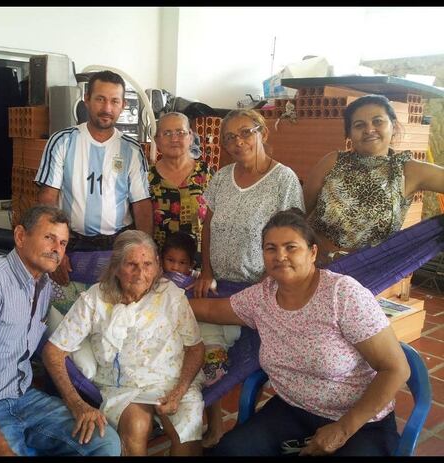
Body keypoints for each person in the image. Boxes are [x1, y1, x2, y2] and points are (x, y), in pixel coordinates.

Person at [190, 208, 410, 456]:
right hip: (293, 409)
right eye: (270, 248)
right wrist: (160, 299)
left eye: (291, 247)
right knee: (230, 452)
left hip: (361, 422)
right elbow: (209, 309)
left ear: (312, 252)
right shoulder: (260, 297)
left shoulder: (343, 295)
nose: (280, 256)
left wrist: (343, 429)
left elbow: (396, 368)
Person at [0, 205, 121, 456]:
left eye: (62, 243)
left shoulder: (43, 285)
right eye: (49, 238)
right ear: (20, 236)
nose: (56, 249)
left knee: (105, 442)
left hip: (21, 398)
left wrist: (77, 404)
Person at [43, 230, 205, 456]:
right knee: (134, 428)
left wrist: (179, 391)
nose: (141, 274)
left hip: (173, 380)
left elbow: (195, 348)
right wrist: (77, 404)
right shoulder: (95, 299)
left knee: (186, 437)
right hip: (123, 386)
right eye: (132, 265)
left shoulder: (171, 295)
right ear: (116, 267)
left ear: (158, 265)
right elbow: (53, 352)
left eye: (148, 264)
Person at [35, 70, 153, 286]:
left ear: (122, 105)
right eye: (100, 99)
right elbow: (47, 200)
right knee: (69, 310)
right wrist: (55, 251)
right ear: (86, 100)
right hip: (71, 245)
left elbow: (142, 207)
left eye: (114, 101)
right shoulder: (62, 141)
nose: (107, 108)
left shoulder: (132, 150)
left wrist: (146, 256)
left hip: (117, 248)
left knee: (116, 310)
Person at [304, 94, 444, 265]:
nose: (369, 130)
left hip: (366, 273)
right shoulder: (332, 162)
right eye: (359, 125)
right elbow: (299, 212)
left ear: (393, 125)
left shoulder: (408, 171)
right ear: (348, 133)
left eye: (378, 121)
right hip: (314, 266)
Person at [194, 109, 304, 298]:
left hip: (262, 287)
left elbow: (292, 238)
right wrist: (206, 272)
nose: (238, 142)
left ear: (263, 133)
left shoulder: (283, 179)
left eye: (246, 132)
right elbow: (208, 228)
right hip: (218, 284)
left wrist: (265, 283)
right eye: (230, 137)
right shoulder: (221, 177)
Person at [160, 232, 226, 448]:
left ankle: (212, 426)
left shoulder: (196, 280)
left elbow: (214, 288)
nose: (175, 268)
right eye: (170, 260)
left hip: (198, 339)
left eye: (182, 263)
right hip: (171, 341)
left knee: (209, 378)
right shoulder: (157, 278)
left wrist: (202, 284)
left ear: (191, 265)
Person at [149, 112, 213, 265]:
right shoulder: (146, 178)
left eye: (180, 132)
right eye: (167, 133)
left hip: (199, 267)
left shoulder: (206, 174)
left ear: (191, 136)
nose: (174, 139)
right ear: (156, 139)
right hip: (158, 267)